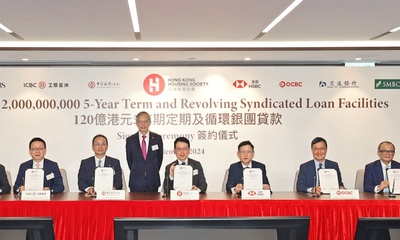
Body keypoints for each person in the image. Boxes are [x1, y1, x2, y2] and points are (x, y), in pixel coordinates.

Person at [125, 111, 163, 192]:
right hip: (136, 182)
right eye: (140, 122)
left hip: (153, 181)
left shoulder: (157, 139)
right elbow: (129, 160)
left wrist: (150, 170)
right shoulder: (130, 140)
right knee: (135, 205)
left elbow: (159, 159)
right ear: (136, 123)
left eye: (145, 121)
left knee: (153, 205)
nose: (143, 124)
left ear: (149, 122)